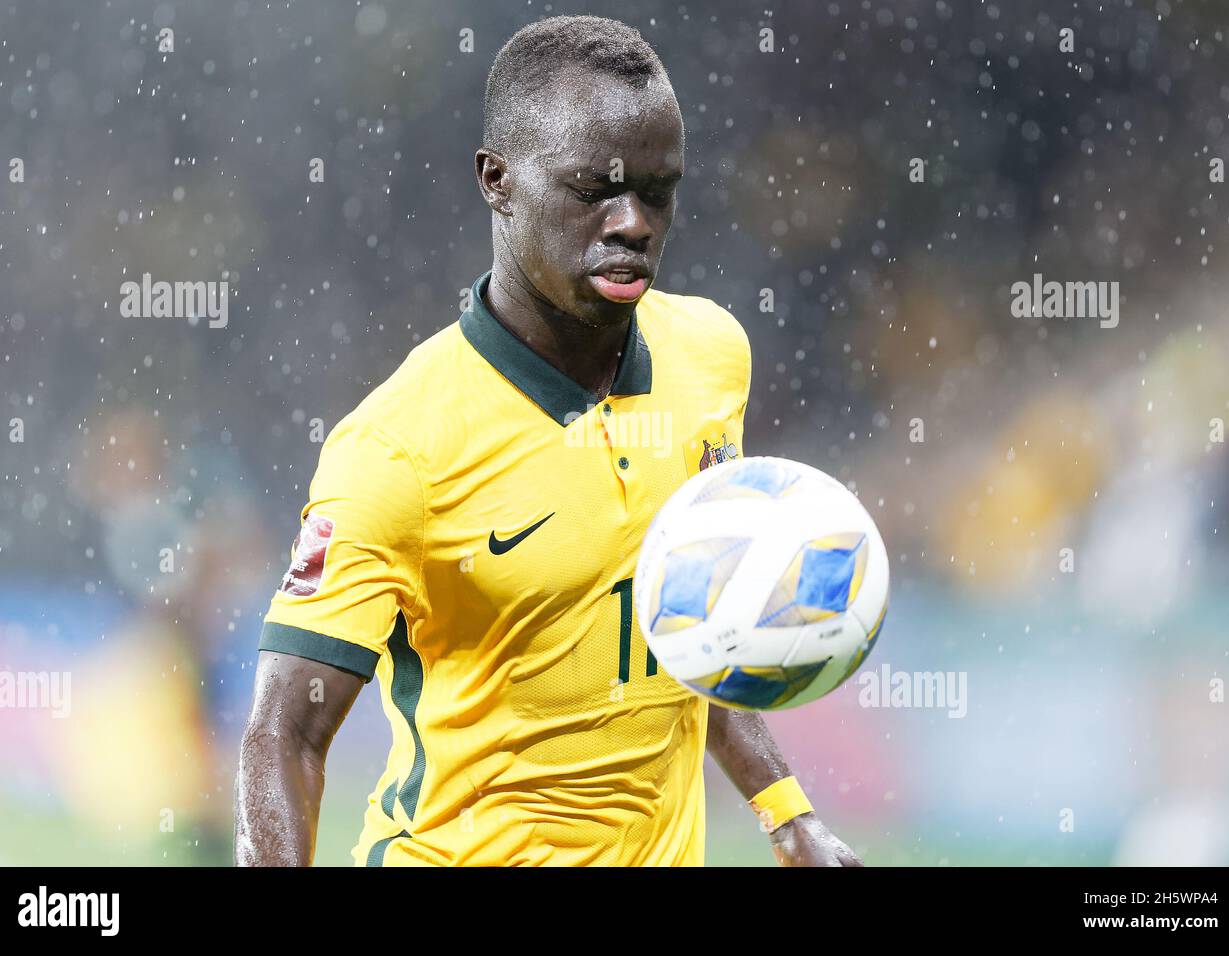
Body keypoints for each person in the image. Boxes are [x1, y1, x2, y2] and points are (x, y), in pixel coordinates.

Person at [235, 14, 862, 867]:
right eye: (591, 190)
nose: (634, 223)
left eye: (658, 189)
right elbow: (284, 734)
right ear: (497, 180)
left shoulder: (712, 359)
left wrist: (789, 814)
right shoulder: (397, 448)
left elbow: (696, 630)